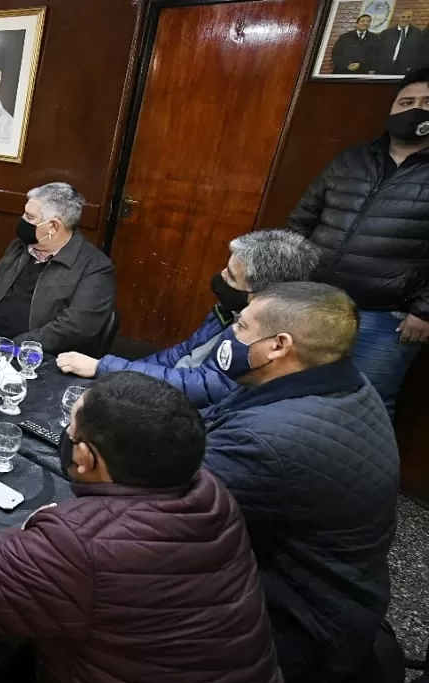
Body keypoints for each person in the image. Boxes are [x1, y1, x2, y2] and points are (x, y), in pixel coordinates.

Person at [0, 372, 294, 683]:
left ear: (85, 458)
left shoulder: (77, 547)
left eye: (71, 428)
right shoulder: (212, 494)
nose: (66, 435)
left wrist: (35, 527)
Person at [203, 282, 398, 683]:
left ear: (278, 346)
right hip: (336, 603)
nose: (229, 336)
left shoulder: (268, 438)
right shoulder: (346, 385)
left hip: (297, 634)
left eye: (241, 327)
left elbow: (161, 512)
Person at [288, 68, 429, 418]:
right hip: (318, 301)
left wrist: (425, 309)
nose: (415, 109)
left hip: (388, 315)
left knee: (368, 403)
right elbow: (302, 221)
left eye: (427, 103)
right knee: (296, 387)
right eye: (406, 102)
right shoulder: (352, 159)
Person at [56, 229, 321, 407]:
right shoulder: (228, 311)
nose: (220, 277)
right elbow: (179, 355)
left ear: (261, 294)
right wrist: (118, 377)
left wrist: (105, 369)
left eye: (230, 276)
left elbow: (207, 385)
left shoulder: (263, 341)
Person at [0, 182, 115, 353]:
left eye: (29, 217)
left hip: (35, 358)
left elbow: (74, 327)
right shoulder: (19, 247)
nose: (22, 220)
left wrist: (13, 347)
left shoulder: (95, 268)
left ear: (53, 226)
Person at [378, 10, 422, 75]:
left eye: (408, 17)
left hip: (406, 70)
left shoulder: (418, 33)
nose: (405, 19)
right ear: (398, 17)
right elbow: (379, 52)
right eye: (403, 17)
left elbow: (419, 52)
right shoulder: (386, 33)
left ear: (412, 18)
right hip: (385, 68)